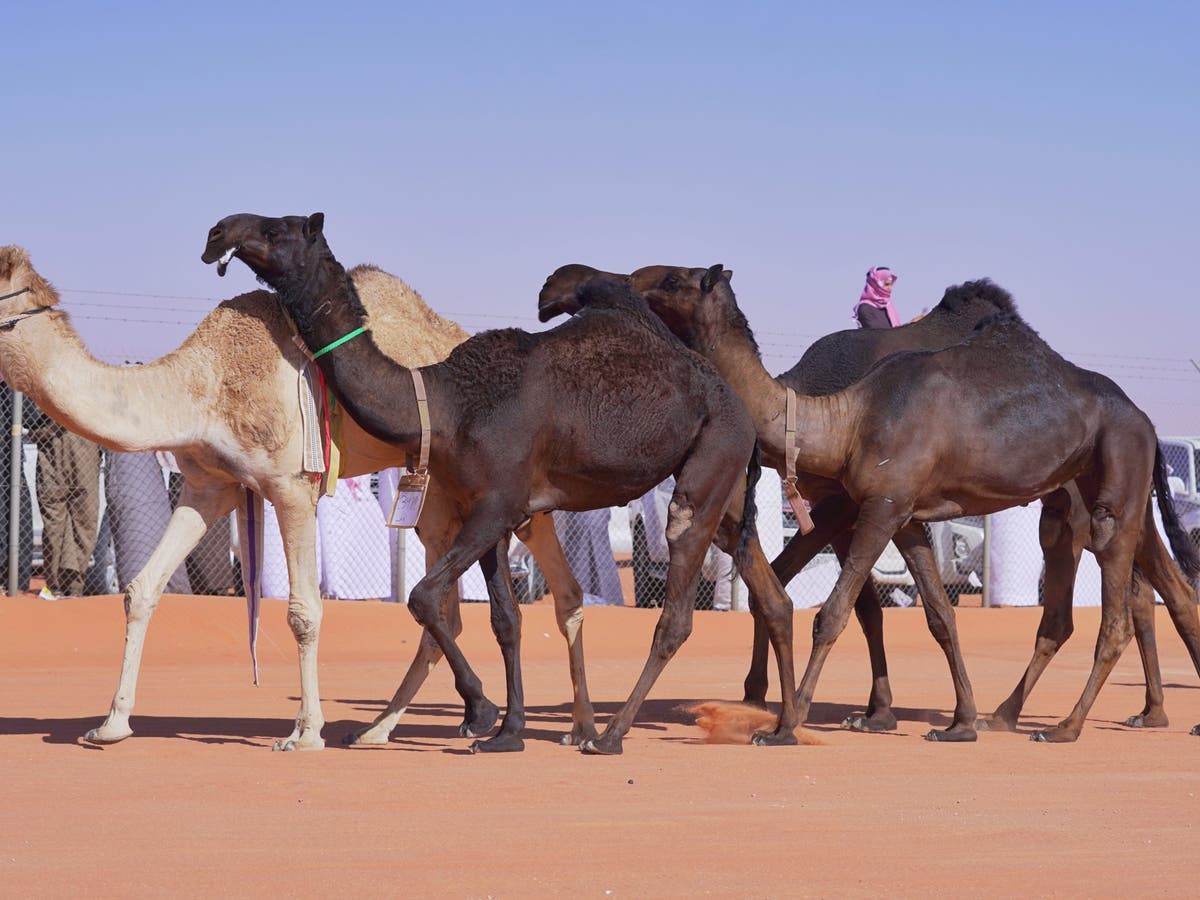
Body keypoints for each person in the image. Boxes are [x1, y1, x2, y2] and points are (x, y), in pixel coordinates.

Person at [26, 411, 102, 599]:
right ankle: (55, 583)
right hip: (51, 440)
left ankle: (74, 584)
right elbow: (31, 414)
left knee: (84, 517)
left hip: (83, 438)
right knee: (54, 519)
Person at [0, 378, 36, 593]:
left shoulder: (14, 390)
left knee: (20, 518)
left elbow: (31, 418)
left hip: (11, 465)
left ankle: (18, 581)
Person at [552, 508, 626, 606]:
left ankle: (607, 599)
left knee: (599, 548)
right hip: (577, 508)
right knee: (579, 550)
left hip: (597, 506)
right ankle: (579, 598)